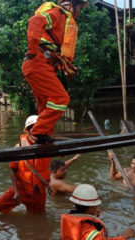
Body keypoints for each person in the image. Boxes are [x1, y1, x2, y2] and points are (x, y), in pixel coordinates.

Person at [22, 0, 89, 145]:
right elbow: (34, 21)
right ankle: (38, 132)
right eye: (79, 8)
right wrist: (33, 50)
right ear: (71, 6)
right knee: (61, 99)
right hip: (38, 62)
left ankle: (42, 136)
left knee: (45, 105)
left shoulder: (62, 19)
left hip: (38, 64)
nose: (79, 12)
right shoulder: (59, 14)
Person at [0, 115, 52, 215]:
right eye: (34, 128)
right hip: (21, 188)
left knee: (38, 218)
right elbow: (13, 171)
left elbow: (64, 152)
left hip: (38, 191)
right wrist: (16, 192)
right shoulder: (18, 148)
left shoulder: (49, 147)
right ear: (27, 131)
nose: (37, 131)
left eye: (39, 128)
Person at [61, 184, 135, 240]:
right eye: (95, 205)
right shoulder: (89, 231)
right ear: (91, 209)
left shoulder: (69, 219)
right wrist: (124, 236)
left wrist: (91, 217)